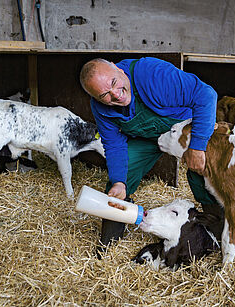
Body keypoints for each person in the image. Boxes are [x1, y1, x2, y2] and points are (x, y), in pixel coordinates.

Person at [79, 57, 223, 253]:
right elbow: (114, 145)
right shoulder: (101, 109)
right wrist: (119, 181)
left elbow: (206, 94)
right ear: (96, 99)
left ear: (116, 68)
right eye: (105, 95)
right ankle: (109, 246)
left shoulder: (152, 75)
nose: (116, 95)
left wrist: (197, 147)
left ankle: (219, 233)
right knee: (122, 177)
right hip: (147, 138)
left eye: (114, 83)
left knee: (202, 173)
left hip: (181, 130)